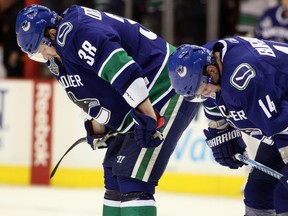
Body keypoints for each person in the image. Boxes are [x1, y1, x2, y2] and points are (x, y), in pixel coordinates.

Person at [15, 4, 200, 216]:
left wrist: (148, 118)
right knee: (113, 177)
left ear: (52, 32)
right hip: (138, 101)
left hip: (164, 89)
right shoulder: (60, 53)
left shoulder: (78, 31)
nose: (43, 56)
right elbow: (95, 89)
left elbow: (123, 70)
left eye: (41, 48)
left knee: (133, 180)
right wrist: (99, 126)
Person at [168, 37, 288, 215]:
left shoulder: (247, 80)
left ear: (211, 71)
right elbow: (212, 100)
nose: (206, 95)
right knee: (258, 190)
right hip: (280, 117)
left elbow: (283, 130)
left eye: (205, 90)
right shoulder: (206, 58)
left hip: (283, 124)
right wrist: (221, 127)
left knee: (284, 195)